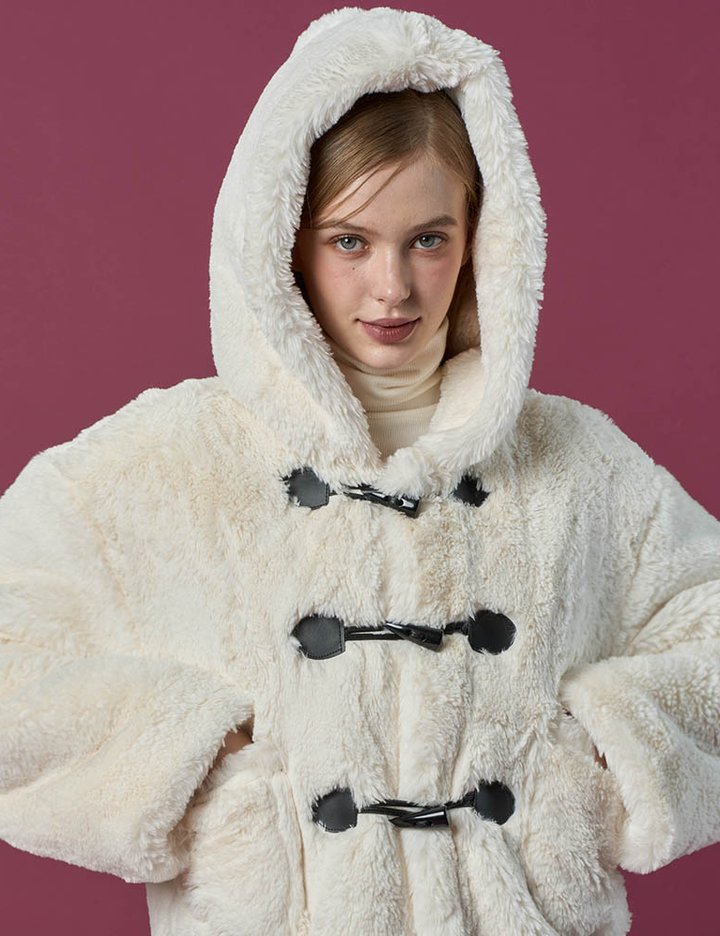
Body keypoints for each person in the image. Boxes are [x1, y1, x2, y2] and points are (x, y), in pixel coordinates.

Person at [1, 7, 719, 936]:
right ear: (284, 241)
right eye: (350, 240)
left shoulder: (578, 462)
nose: (394, 287)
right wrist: (193, 765)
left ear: (484, 240)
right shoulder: (173, 461)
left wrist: (600, 761)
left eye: (429, 238)